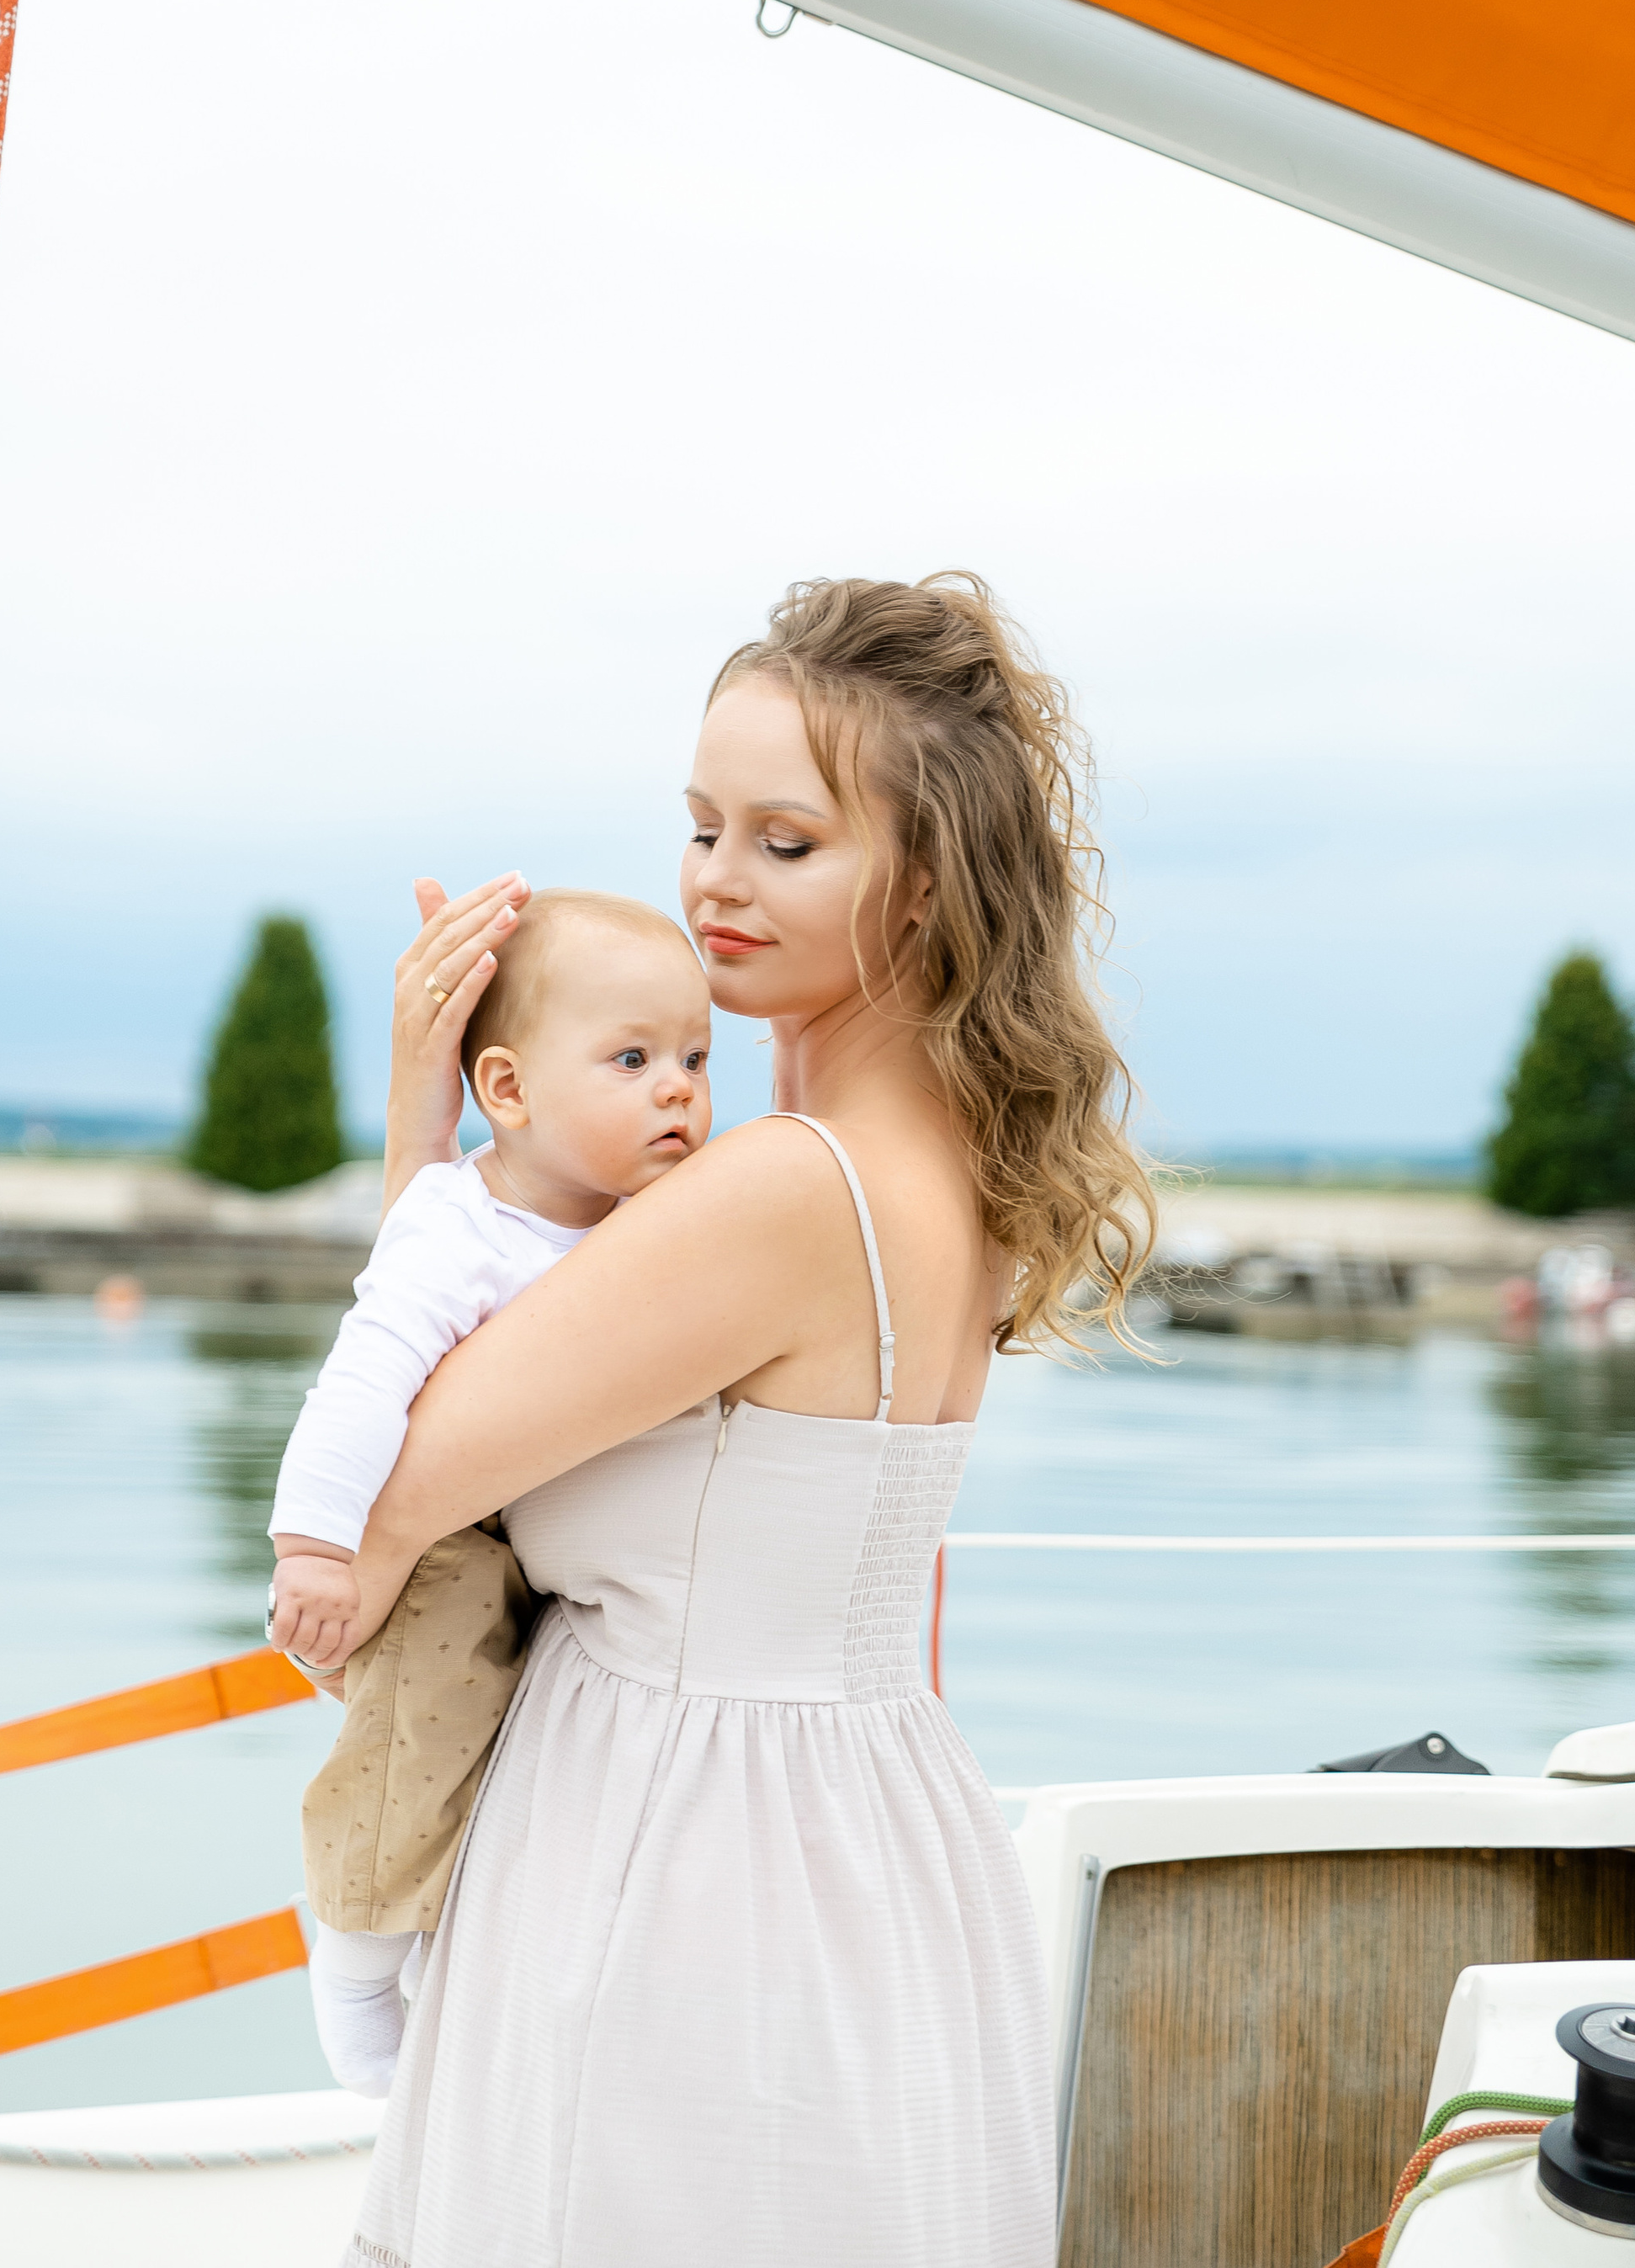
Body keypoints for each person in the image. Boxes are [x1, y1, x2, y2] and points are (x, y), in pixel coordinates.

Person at [337, 574, 1155, 2268]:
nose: (713, 879)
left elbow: (389, 1475)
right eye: (702, 825)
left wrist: (429, 1108)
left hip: (677, 1864)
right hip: (864, 1833)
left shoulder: (784, 1192)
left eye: (787, 843)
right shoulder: (953, 1172)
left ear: (919, 883)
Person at [268, 892, 712, 2094]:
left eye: (695, 1056)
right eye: (632, 1059)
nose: (677, 1086)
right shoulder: (459, 1229)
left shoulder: (649, 1220)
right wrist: (315, 1545)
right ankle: (357, 1944)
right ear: (508, 1092)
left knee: (501, 1758)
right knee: (424, 1719)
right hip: (448, 1548)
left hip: (558, 1542)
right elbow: (361, 1379)